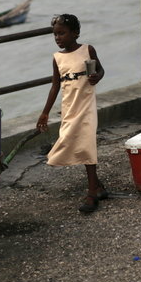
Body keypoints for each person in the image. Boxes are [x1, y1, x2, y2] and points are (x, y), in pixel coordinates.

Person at [37, 14, 108, 213]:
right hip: (69, 106)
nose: (58, 37)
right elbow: (54, 87)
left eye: (62, 33)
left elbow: (101, 70)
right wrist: (45, 113)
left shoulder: (88, 50)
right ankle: (98, 186)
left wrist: (97, 77)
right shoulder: (57, 57)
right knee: (70, 140)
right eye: (55, 34)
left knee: (86, 144)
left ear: (75, 33)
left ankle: (92, 194)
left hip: (86, 104)